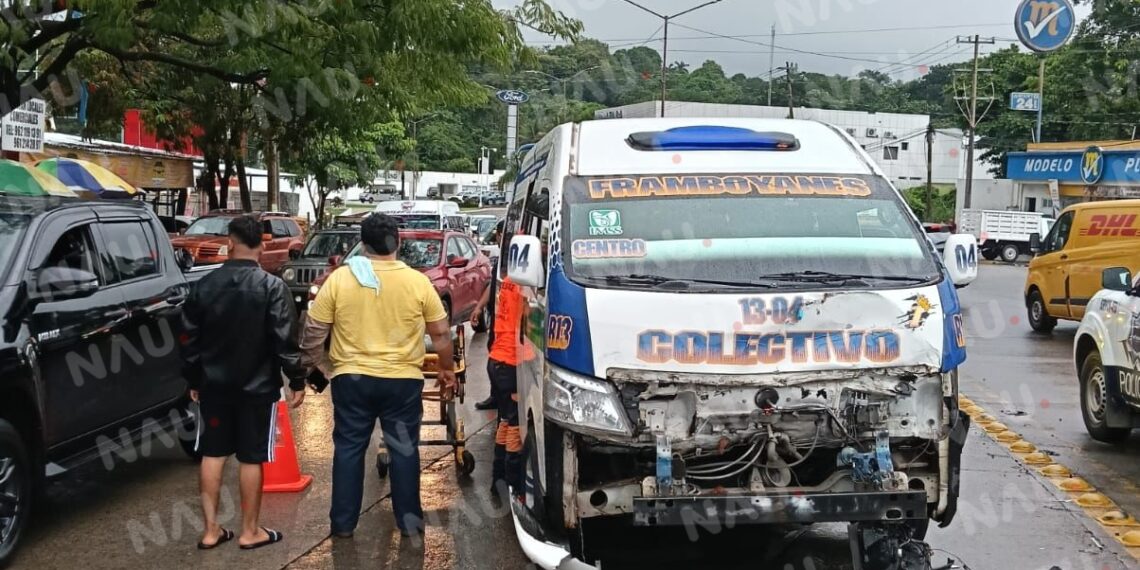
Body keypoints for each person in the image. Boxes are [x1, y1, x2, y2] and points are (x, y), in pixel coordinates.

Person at [300, 213, 457, 538]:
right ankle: (410, 522)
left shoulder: (340, 280)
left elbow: (313, 333)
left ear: (363, 244)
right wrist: (446, 368)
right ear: (397, 242)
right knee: (403, 449)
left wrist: (319, 368)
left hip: (351, 381)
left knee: (349, 449)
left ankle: (342, 525)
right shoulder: (417, 282)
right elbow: (441, 334)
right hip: (402, 382)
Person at [181, 215, 307, 551]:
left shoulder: (204, 286)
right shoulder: (272, 287)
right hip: (258, 388)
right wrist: (296, 379)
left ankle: (211, 530)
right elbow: (285, 341)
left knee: (213, 453)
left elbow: (188, 340)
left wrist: (193, 379)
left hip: (212, 388)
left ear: (229, 243)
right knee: (252, 458)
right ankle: (250, 531)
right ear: (263, 246)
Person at [470, 255, 524, 497]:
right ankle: (513, 487)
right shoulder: (525, 286)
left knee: (505, 421)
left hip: (497, 361)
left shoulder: (509, 280)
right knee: (515, 426)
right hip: (510, 363)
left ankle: (498, 481)